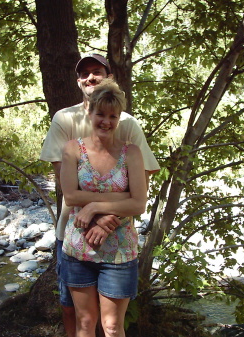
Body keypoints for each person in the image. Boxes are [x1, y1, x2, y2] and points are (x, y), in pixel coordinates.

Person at [39, 53, 159, 337]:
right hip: (75, 232)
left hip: (118, 237)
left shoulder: (127, 124)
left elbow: (141, 185)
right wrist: (94, 211)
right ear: (78, 80)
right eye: (84, 73)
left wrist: (105, 214)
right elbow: (66, 186)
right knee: (74, 312)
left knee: (112, 325)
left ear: (109, 76)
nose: (90, 78)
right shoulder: (66, 120)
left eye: (97, 72)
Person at [60, 78, 147, 337]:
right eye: (101, 114)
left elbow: (139, 204)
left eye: (113, 116)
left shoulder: (131, 153)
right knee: (85, 323)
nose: (106, 122)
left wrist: (96, 206)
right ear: (90, 112)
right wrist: (120, 199)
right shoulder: (73, 149)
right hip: (78, 249)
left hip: (119, 253)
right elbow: (70, 196)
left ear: (119, 118)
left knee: (111, 327)